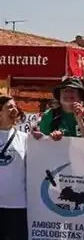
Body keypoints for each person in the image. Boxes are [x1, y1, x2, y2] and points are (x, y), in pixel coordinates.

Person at [0, 95, 28, 240]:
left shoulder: (25, 138)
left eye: (15, 107)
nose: (15, 110)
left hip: (17, 206)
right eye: (9, 107)